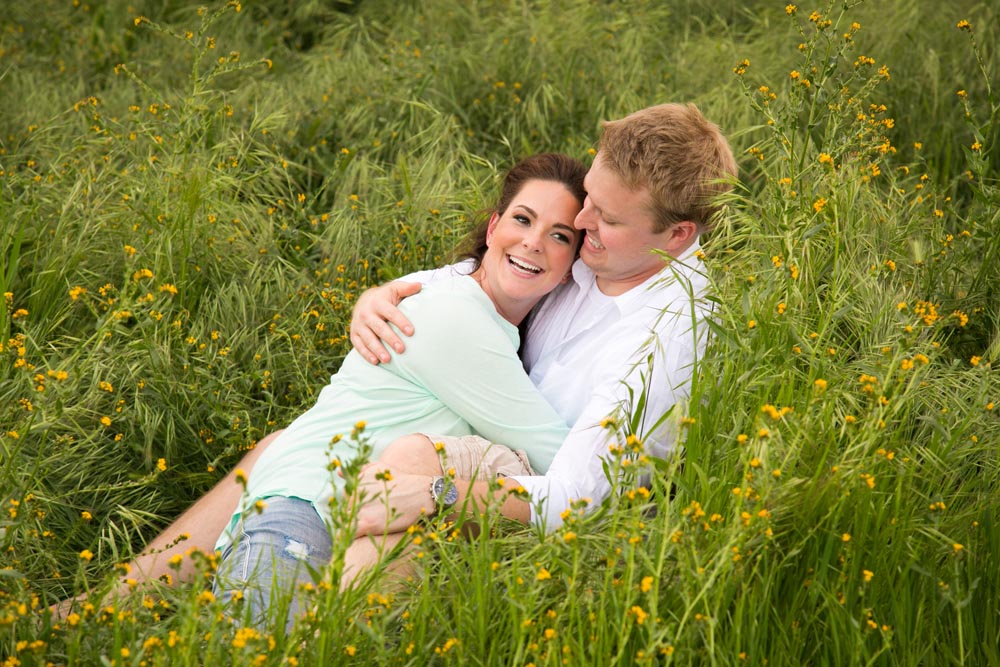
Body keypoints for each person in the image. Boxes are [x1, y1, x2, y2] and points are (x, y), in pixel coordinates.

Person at [213, 153, 592, 624]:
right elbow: (564, 462)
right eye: (523, 219)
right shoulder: (457, 318)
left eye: (559, 235)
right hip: (304, 513)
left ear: (572, 262)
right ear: (493, 229)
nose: (534, 242)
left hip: (360, 520)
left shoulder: (488, 320)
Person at [348, 102, 737, 541]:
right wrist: (390, 292)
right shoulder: (606, 254)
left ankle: (332, 605)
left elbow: (577, 499)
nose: (581, 220)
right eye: (590, 196)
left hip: (561, 513)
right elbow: (497, 273)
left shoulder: (669, 340)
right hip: (492, 439)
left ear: (677, 235)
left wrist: (438, 496)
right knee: (293, 451)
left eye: (608, 218)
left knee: (403, 475)